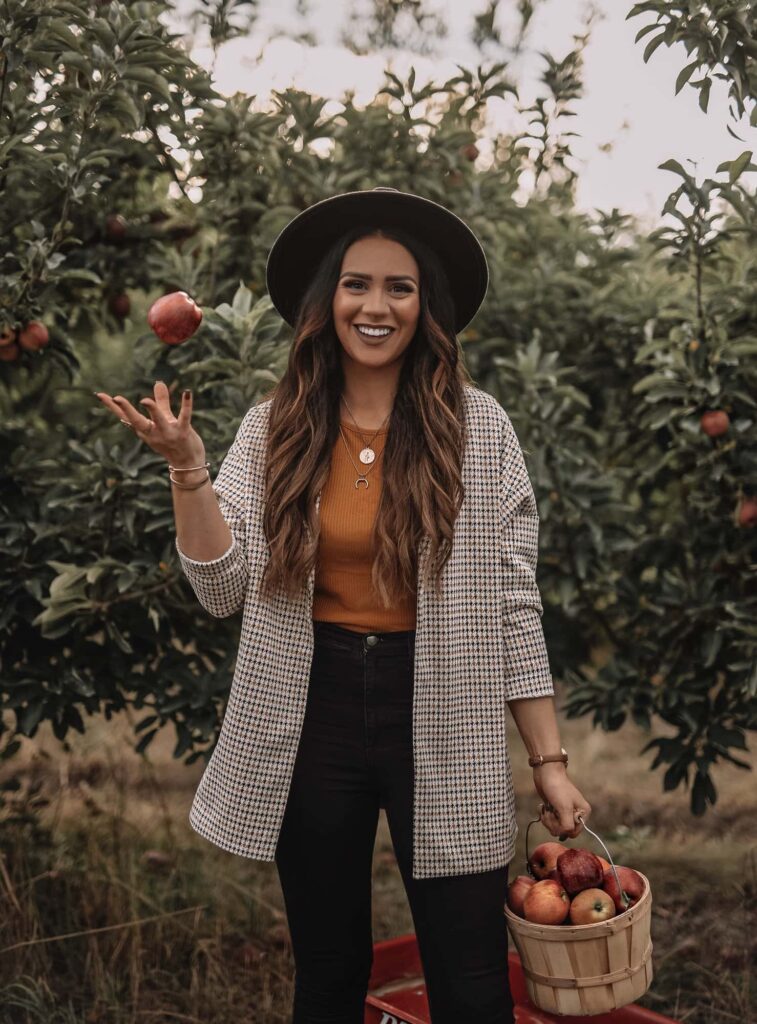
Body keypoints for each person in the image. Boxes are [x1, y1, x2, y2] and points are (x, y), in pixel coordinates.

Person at [94, 186, 592, 1024]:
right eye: (357, 283)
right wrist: (188, 469)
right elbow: (221, 590)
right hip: (310, 708)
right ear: (329, 300)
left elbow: (514, 605)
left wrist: (547, 762)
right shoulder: (273, 427)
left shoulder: (479, 430)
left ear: (423, 306)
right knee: (328, 972)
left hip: (442, 709)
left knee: (469, 979)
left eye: (399, 286)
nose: (376, 304)